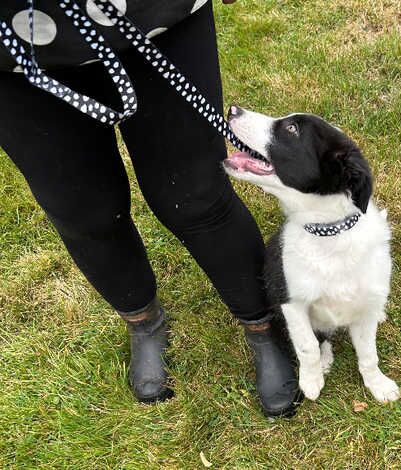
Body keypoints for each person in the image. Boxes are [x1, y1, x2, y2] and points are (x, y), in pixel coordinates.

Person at [0, 0, 300, 417]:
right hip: (14, 50)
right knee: (84, 211)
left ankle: (262, 324)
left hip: (154, 12)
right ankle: (144, 321)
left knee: (196, 195)